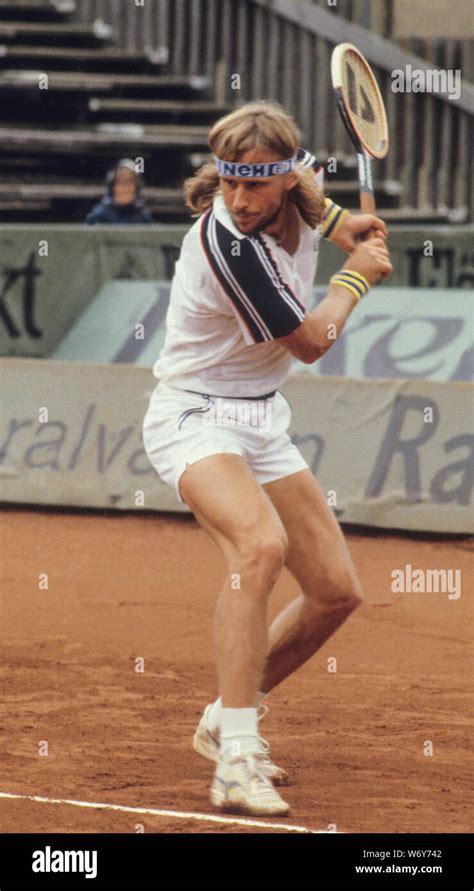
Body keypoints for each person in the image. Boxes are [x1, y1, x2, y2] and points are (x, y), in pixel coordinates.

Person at [142, 101, 392, 817]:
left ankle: (225, 714)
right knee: (259, 548)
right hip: (192, 412)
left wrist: (352, 230)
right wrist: (356, 278)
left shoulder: (302, 188)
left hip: (260, 418)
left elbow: (334, 217)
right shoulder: (229, 245)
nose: (242, 201)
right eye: (230, 184)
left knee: (335, 591)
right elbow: (311, 341)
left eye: (256, 185)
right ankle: (238, 757)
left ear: (287, 175)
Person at [85, 158, 154, 225]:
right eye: (121, 182)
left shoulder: (144, 217)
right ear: (112, 186)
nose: (125, 187)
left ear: (137, 187)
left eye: (130, 182)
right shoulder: (99, 215)